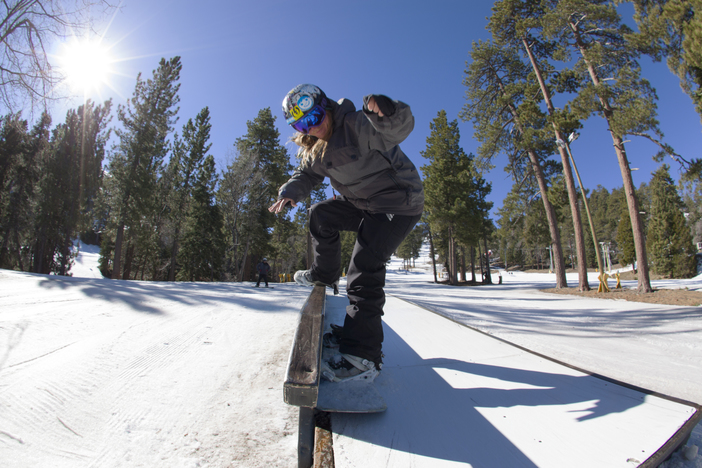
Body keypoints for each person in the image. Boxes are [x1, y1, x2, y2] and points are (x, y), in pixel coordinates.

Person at [269, 84, 424, 383]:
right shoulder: (316, 150)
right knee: (320, 214)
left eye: (315, 116)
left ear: (325, 106)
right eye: (303, 124)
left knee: (364, 265)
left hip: (398, 202)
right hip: (365, 205)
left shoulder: (355, 125)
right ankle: (324, 275)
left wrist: (388, 111)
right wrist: (290, 192)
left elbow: (395, 130)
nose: (313, 127)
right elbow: (306, 174)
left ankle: (363, 358)